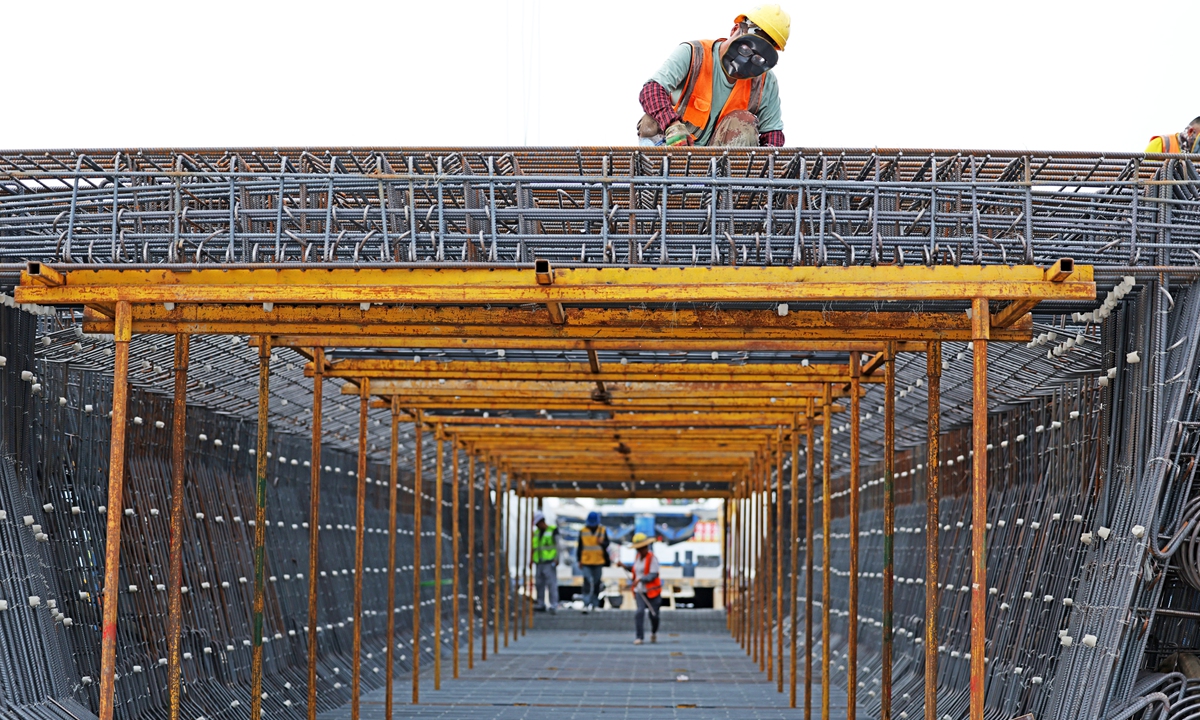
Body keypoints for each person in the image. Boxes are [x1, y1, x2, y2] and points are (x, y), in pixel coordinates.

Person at [637, 4, 790, 148]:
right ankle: (653, 169)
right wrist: (672, 125)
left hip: (718, 161)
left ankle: (732, 176)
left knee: (745, 123)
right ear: (735, 29)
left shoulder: (765, 82)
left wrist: (770, 160)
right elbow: (651, 90)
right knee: (652, 117)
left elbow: (773, 134)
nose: (748, 58)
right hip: (675, 147)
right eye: (746, 48)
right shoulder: (694, 54)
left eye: (758, 57)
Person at [626, 532, 662, 644]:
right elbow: (635, 570)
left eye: (642, 548)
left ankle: (654, 632)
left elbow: (653, 574)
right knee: (639, 612)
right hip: (640, 591)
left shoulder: (652, 558)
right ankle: (639, 637)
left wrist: (641, 579)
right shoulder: (637, 558)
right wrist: (623, 566)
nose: (640, 551)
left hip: (652, 592)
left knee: (654, 615)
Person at [576, 511, 610, 613]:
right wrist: (579, 560)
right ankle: (586, 603)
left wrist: (602, 542)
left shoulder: (602, 530)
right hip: (586, 561)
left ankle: (595, 604)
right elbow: (580, 547)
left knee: (596, 583)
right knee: (587, 582)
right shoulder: (583, 531)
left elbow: (607, 543)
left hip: (598, 561)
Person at [531, 511, 559, 613]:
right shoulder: (537, 533)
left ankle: (553, 605)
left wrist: (556, 558)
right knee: (539, 584)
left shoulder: (552, 530)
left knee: (551, 584)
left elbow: (557, 546)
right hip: (539, 562)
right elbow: (534, 548)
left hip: (549, 562)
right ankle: (540, 604)